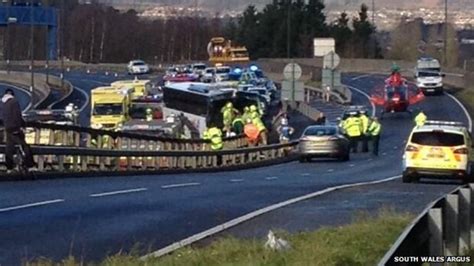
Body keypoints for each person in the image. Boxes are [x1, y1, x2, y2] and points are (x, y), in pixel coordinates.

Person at [2, 89, 35, 173]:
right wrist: (22, 125)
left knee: (9, 147)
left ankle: (9, 167)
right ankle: (30, 164)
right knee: (24, 146)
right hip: (15, 127)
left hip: (7, 127)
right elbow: (17, 115)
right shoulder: (14, 102)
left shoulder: (3, 103)